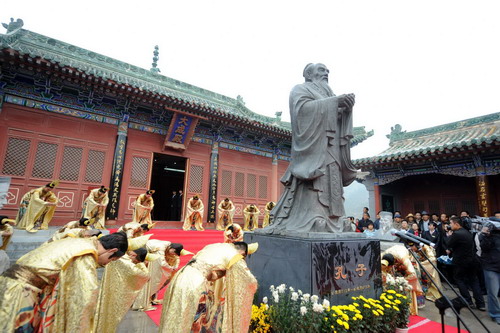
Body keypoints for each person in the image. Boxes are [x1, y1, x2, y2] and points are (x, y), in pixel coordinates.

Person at [262, 63, 356, 234]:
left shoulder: (330, 93)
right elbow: (302, 112)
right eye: (321, 70)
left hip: (332, 146)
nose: (326, 73)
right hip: (315, 148)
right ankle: (313, 216)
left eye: (328, 71)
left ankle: (334, 217)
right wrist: (334, 102)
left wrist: (345, 109)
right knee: (317, 180)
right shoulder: (300, 89)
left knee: (332, 177)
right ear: (308, 74)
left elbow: (337, 118)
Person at [0, 231, 128, 332]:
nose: (106, 264)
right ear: (112, 251)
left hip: (9, 283)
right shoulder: (86, 254)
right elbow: (86, 294)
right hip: (21, 292)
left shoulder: (78, 242)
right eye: (111, 260)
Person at [159, 242, 258, 333]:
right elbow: (250, 280)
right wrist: (253, 287)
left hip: (181, 276)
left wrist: (221, 273)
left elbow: (210, 271)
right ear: (242, 253)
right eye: (244, 257)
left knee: (176, 317)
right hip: (195, 283)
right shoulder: (235, 255)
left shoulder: (215, 246)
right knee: (189, 321)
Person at [93, 248, 150, 332]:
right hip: (113, 293)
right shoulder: (126, 262)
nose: (134, 263)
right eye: (135, 261)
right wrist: (141, 264)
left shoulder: (121, 256)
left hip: (107, 289)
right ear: (133, 255)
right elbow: (146, 276)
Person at [132, 240, 191, 310]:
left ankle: (151, 298)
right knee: (153, 277)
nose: (174, 254)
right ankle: (140, 301)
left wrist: (175, 267)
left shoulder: (170, 246)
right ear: (173, 249)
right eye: (174, 253)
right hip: (140, 254)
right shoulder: (161, 248)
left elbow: (177, 258)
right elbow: (161, 262)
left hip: (149, 256)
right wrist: (171, 268)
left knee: (163, 277)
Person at [446, 216, 485, 310]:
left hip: (461, 261)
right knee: (474, 281)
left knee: (459, 279)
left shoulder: (457, 234)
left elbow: (449, 244)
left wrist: (449, 236)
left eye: (451, 223)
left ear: (456, 224)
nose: (450, 226)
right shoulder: (467, 232)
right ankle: (481, 304)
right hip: (472, 260)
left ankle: (467, 301)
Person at [382, 245, 423, 315]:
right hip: (396, 263)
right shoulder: (382, 256)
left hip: (408, 270)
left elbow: (413, 275)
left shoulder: (403, 258)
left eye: (390, 267)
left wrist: (400, 281)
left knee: (407, 285)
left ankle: (409, 306)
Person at [478, 222, 500, 324]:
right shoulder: (485, 235)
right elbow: (483, 247)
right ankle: (495, 314)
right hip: (491, 267)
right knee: (493, 292)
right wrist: (485, 234)